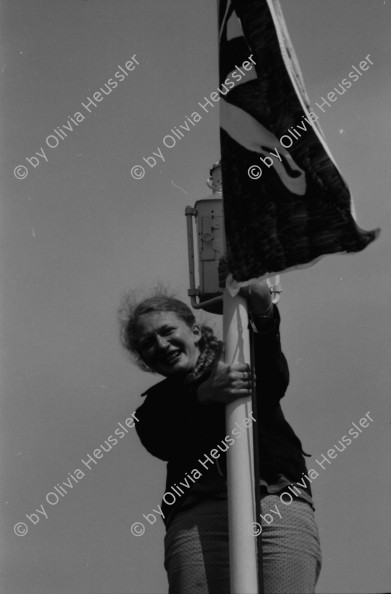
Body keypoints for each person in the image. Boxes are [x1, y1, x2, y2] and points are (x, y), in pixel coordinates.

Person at [119, 276, 322, 594]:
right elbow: (161, 439)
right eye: (147, 343)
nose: (161, 345)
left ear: (195, 331)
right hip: (198, 514)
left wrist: (265, 314)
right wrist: (204, 395)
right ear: (145, 361)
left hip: (277, 498)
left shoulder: (239, 357)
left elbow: (272, 380)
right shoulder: (153, 409)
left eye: (167, 331)